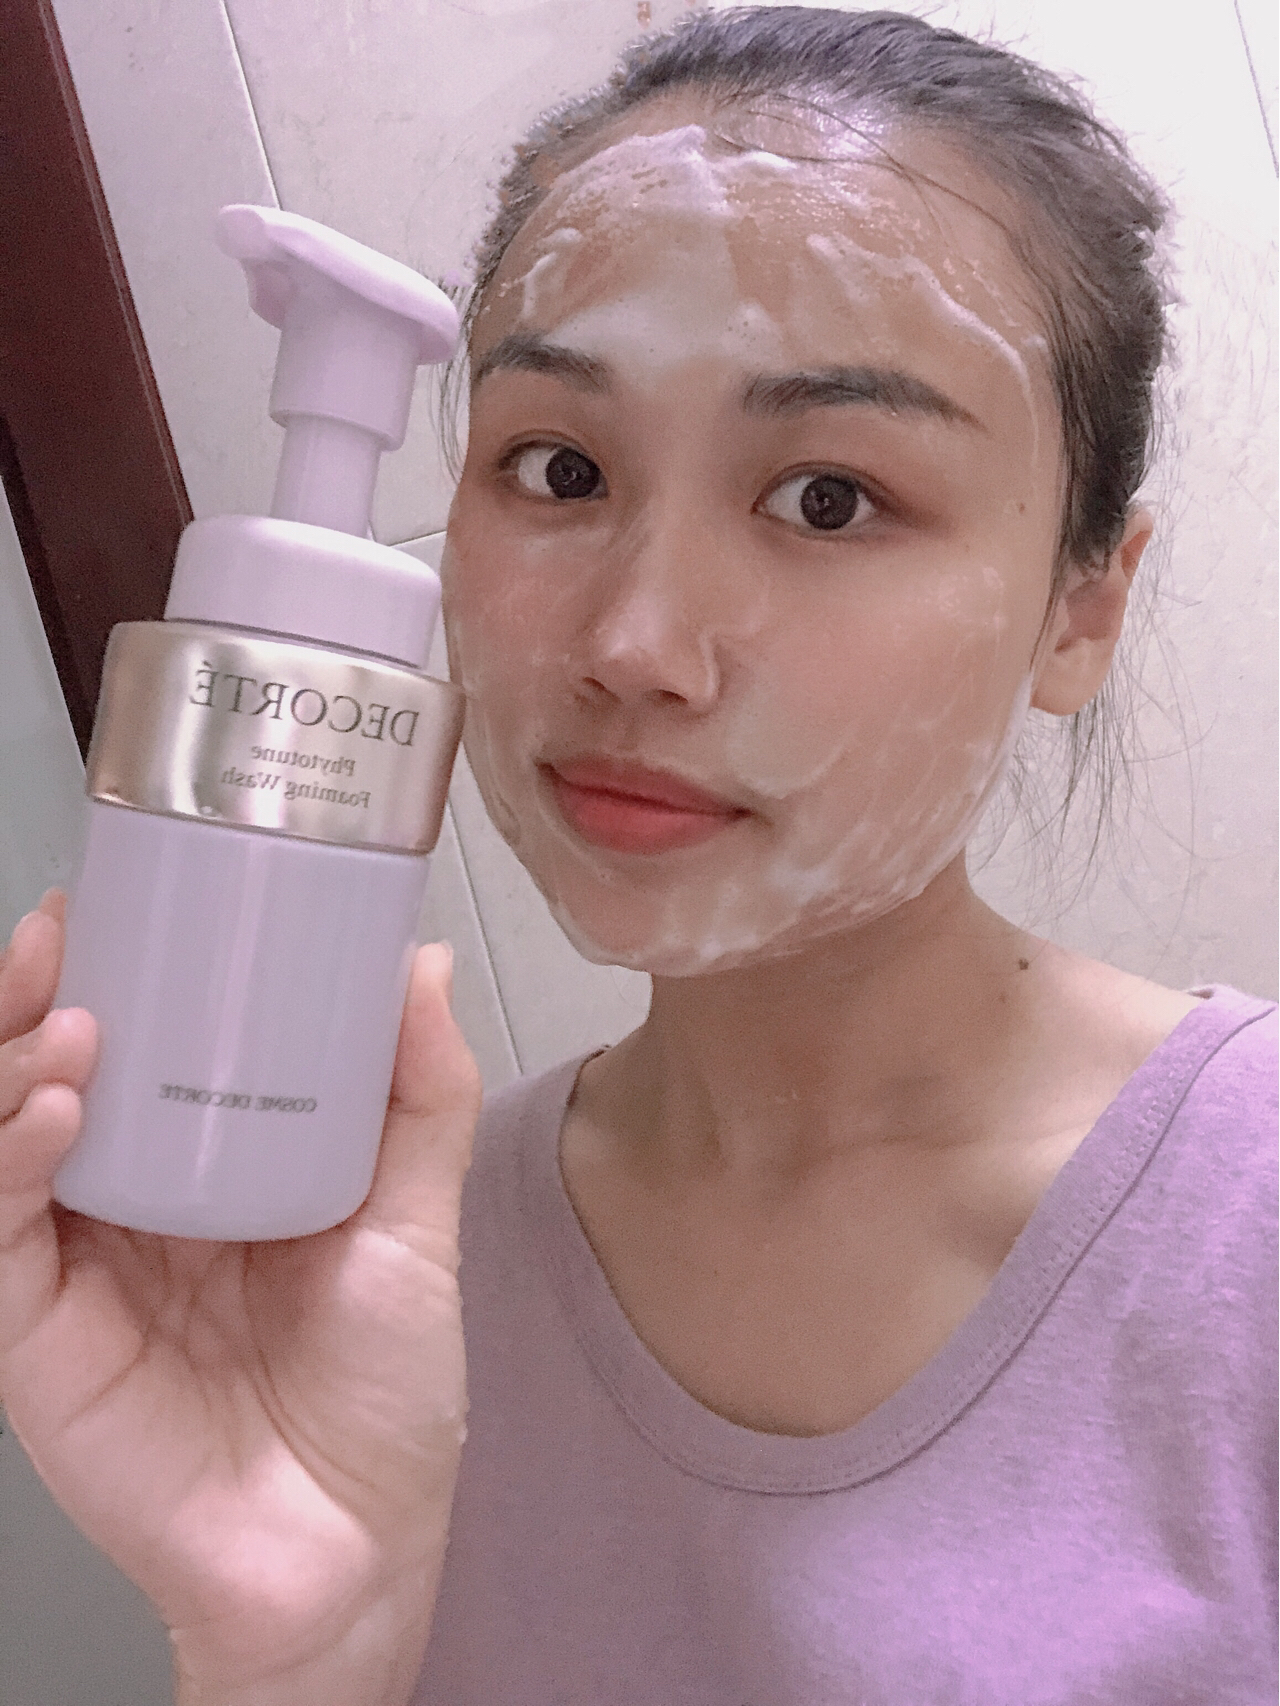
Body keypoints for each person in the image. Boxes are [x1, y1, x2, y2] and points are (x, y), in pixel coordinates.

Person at [0, 8, 1274, 1703]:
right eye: (561, 467)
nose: (635, 642)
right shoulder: (372, 1269)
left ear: (1081, 608)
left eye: (827, 497)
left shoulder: (1247, 1232)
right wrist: (288, 1646)